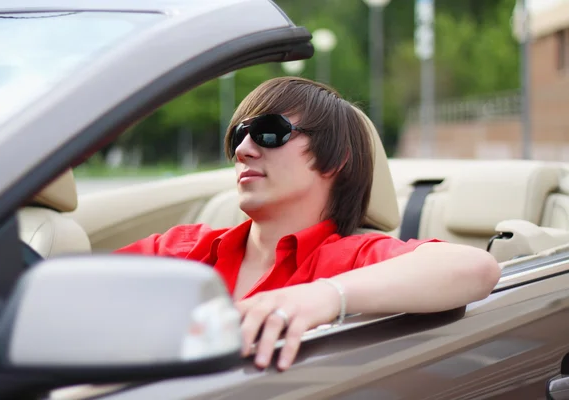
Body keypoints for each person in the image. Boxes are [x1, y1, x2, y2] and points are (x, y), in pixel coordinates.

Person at [115, 77, 501, 371]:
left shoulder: (349, 259)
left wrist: (324, 297)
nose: (244, 150)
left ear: (335, 160)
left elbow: (477, 268)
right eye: (238, 136)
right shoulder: (182, 249)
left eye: (269, 132)